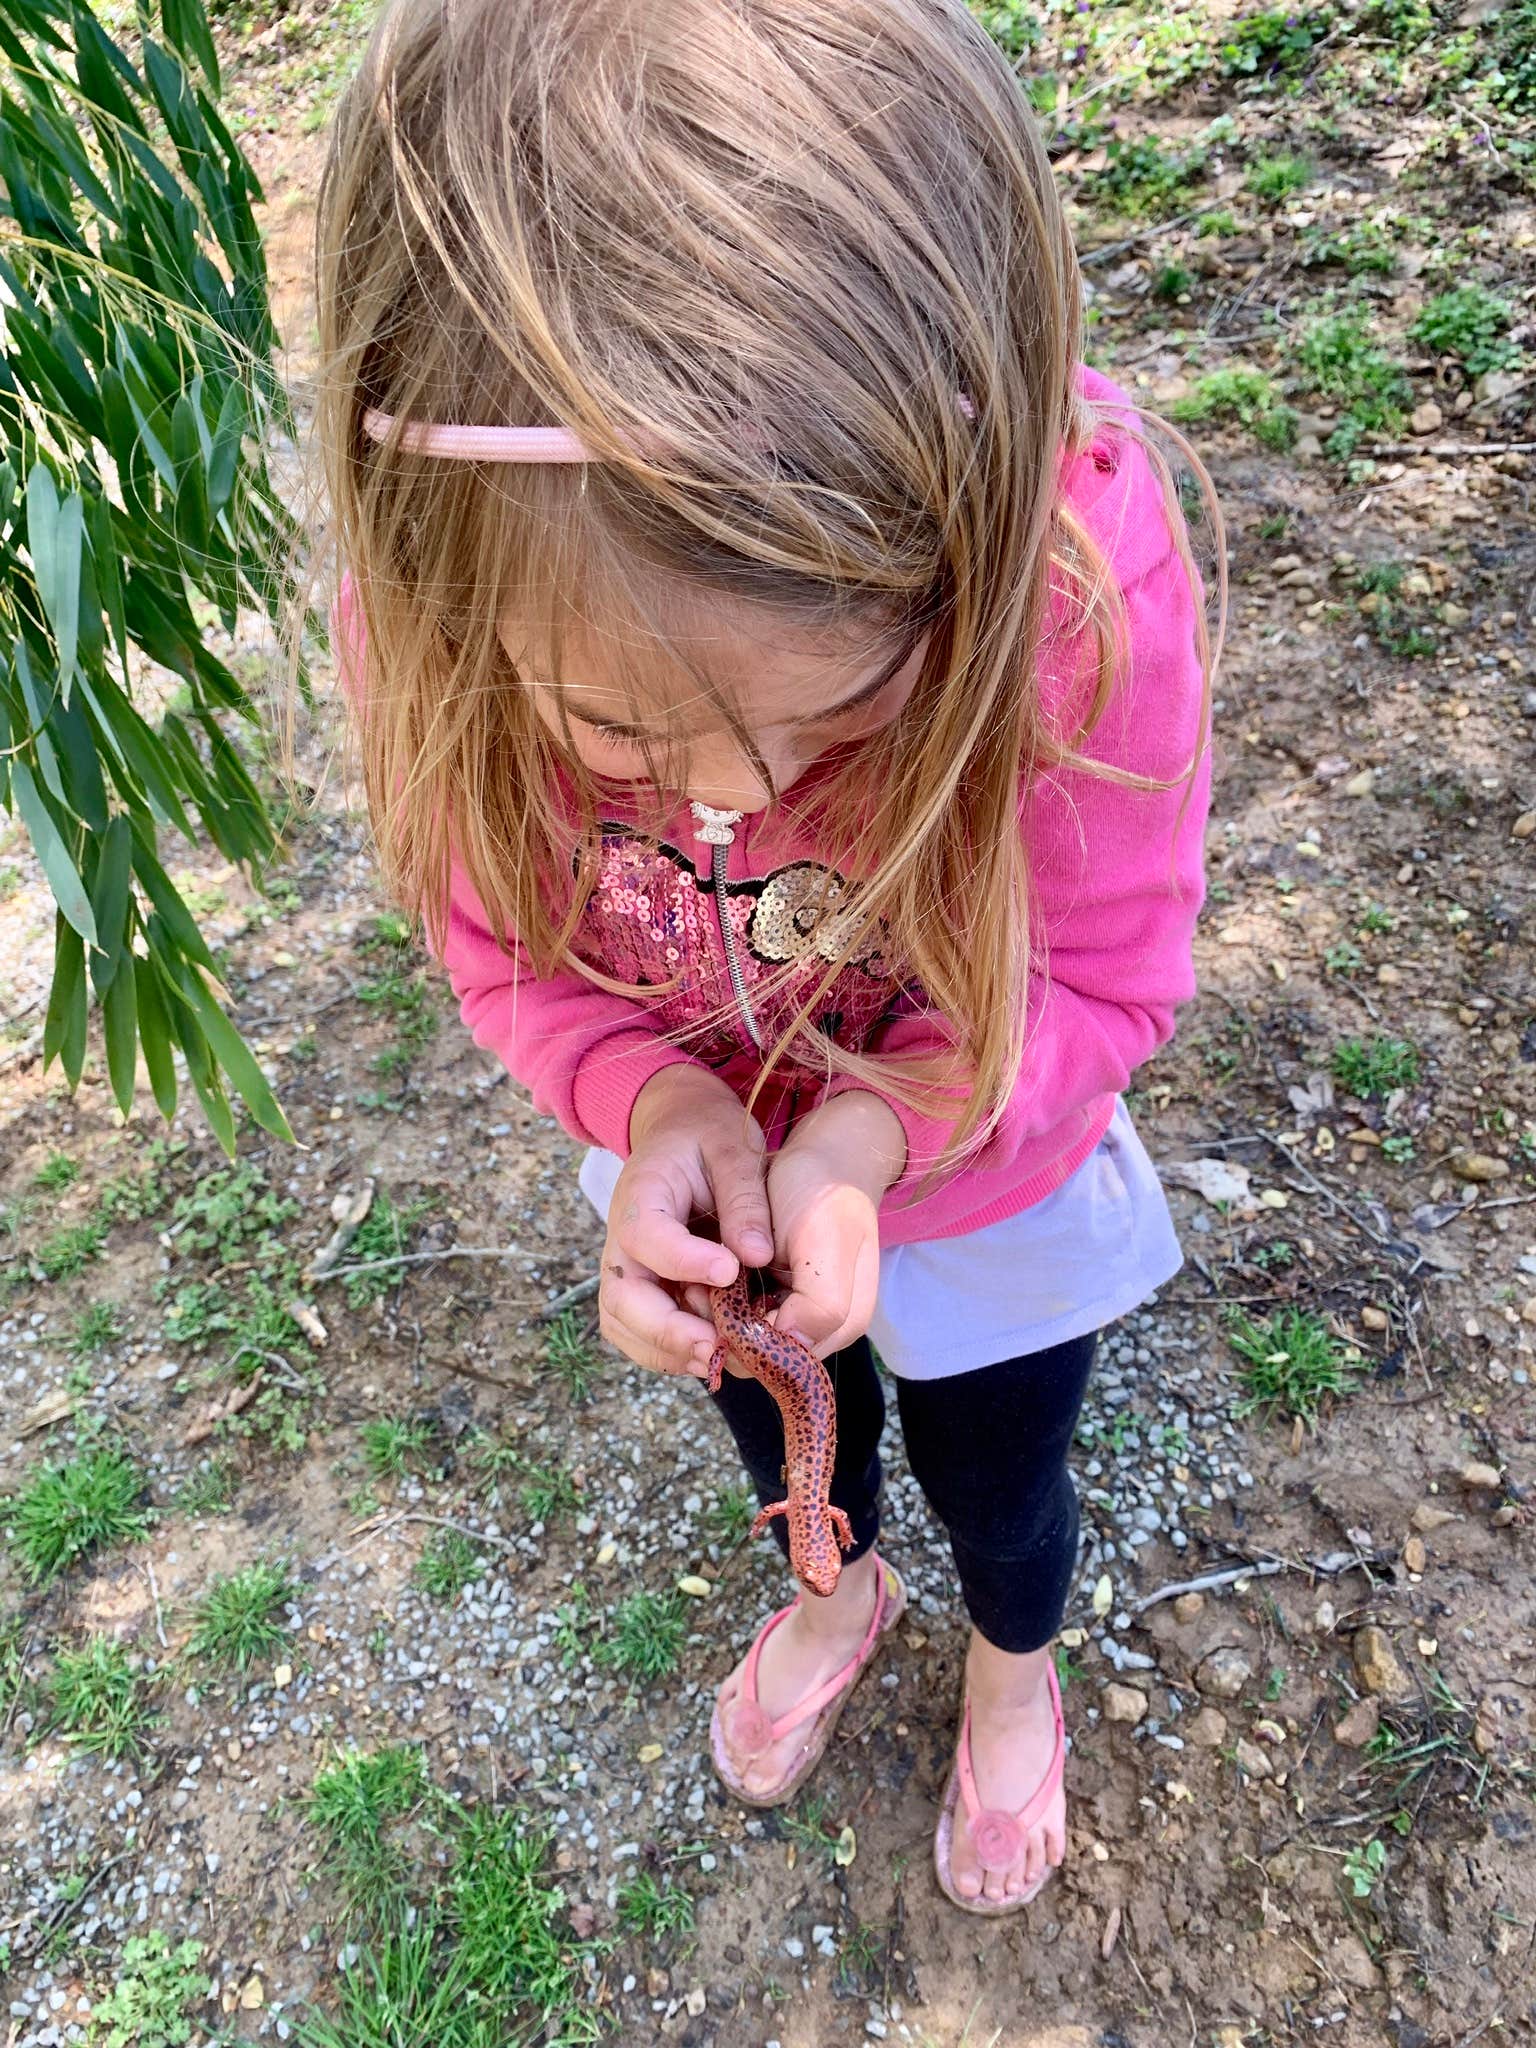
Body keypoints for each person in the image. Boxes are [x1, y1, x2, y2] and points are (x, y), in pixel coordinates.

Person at [312, 0, 1221, 1916]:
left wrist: (875, 1136)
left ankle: (1012, 1667)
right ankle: (836, 1585)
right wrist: (655, 1100)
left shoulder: (1078, 588)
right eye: (616, 738)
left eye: (842, 713)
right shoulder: (444, 602)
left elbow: (1105, 976)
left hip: (989, 1174)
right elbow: (497, 944)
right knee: (784, 1424)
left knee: (1007, 1472)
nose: (731, 799)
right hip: (709, 1191)